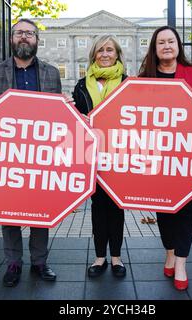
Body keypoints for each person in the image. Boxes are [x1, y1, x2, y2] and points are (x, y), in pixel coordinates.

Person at [0, 18, 62, 287]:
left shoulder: (50, 73)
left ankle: (40, 262)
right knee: (9, 210)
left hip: (40, 155)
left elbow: (58, 112)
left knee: (41, 209)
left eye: (29, 33)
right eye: (19, 33)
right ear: (12, 39)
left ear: (37, 39)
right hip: (9, 154)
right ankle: (13, 263)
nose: (24, 37)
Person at [138, 26, 192, 291]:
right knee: (163, 209)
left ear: (178, 45)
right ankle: (170, 251)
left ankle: (181, 262)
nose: (166, 46)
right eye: (161, 42)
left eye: (170, 41)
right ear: (155, 48)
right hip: (158, 157)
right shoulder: (144, 78)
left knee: (187, 209)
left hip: (189, 154)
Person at [72, 35, 127, 278]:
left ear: (117, 54)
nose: (105, 54)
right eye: (100, 50)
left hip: (119, 155)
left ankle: (116, 258)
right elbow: (76, 117)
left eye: (110, 50)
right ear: (94, 54)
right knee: (98, 206)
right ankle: (99, 257)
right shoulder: (82, 85)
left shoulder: (128, 83)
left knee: (116, 205)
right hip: (91, 155)